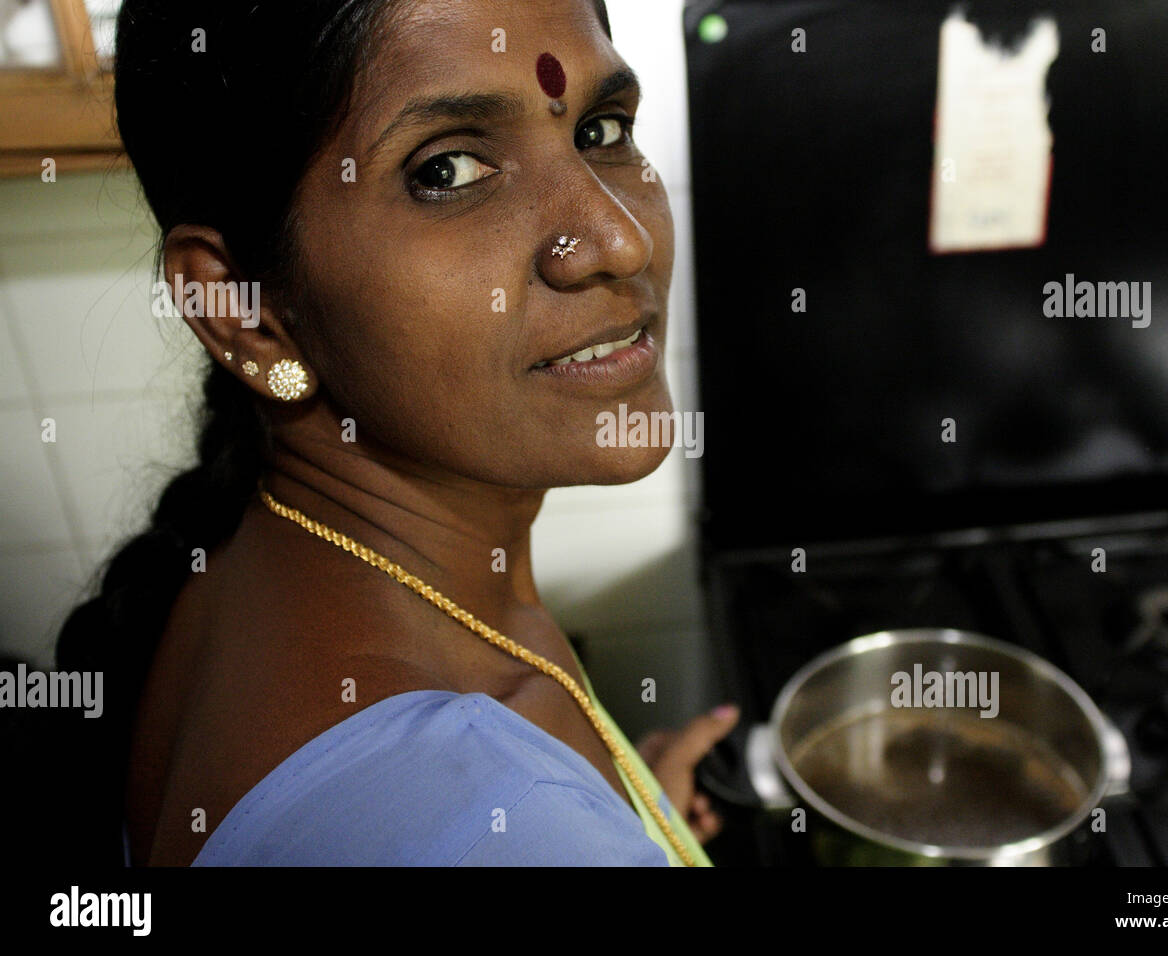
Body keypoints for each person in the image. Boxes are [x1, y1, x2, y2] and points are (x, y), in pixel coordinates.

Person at [55, 0, 739, 866]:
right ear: (246, 314)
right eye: (448, 170)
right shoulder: (495, 826)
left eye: (602, 129)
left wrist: (629, 816)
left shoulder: (251, 568)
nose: (618, 239)